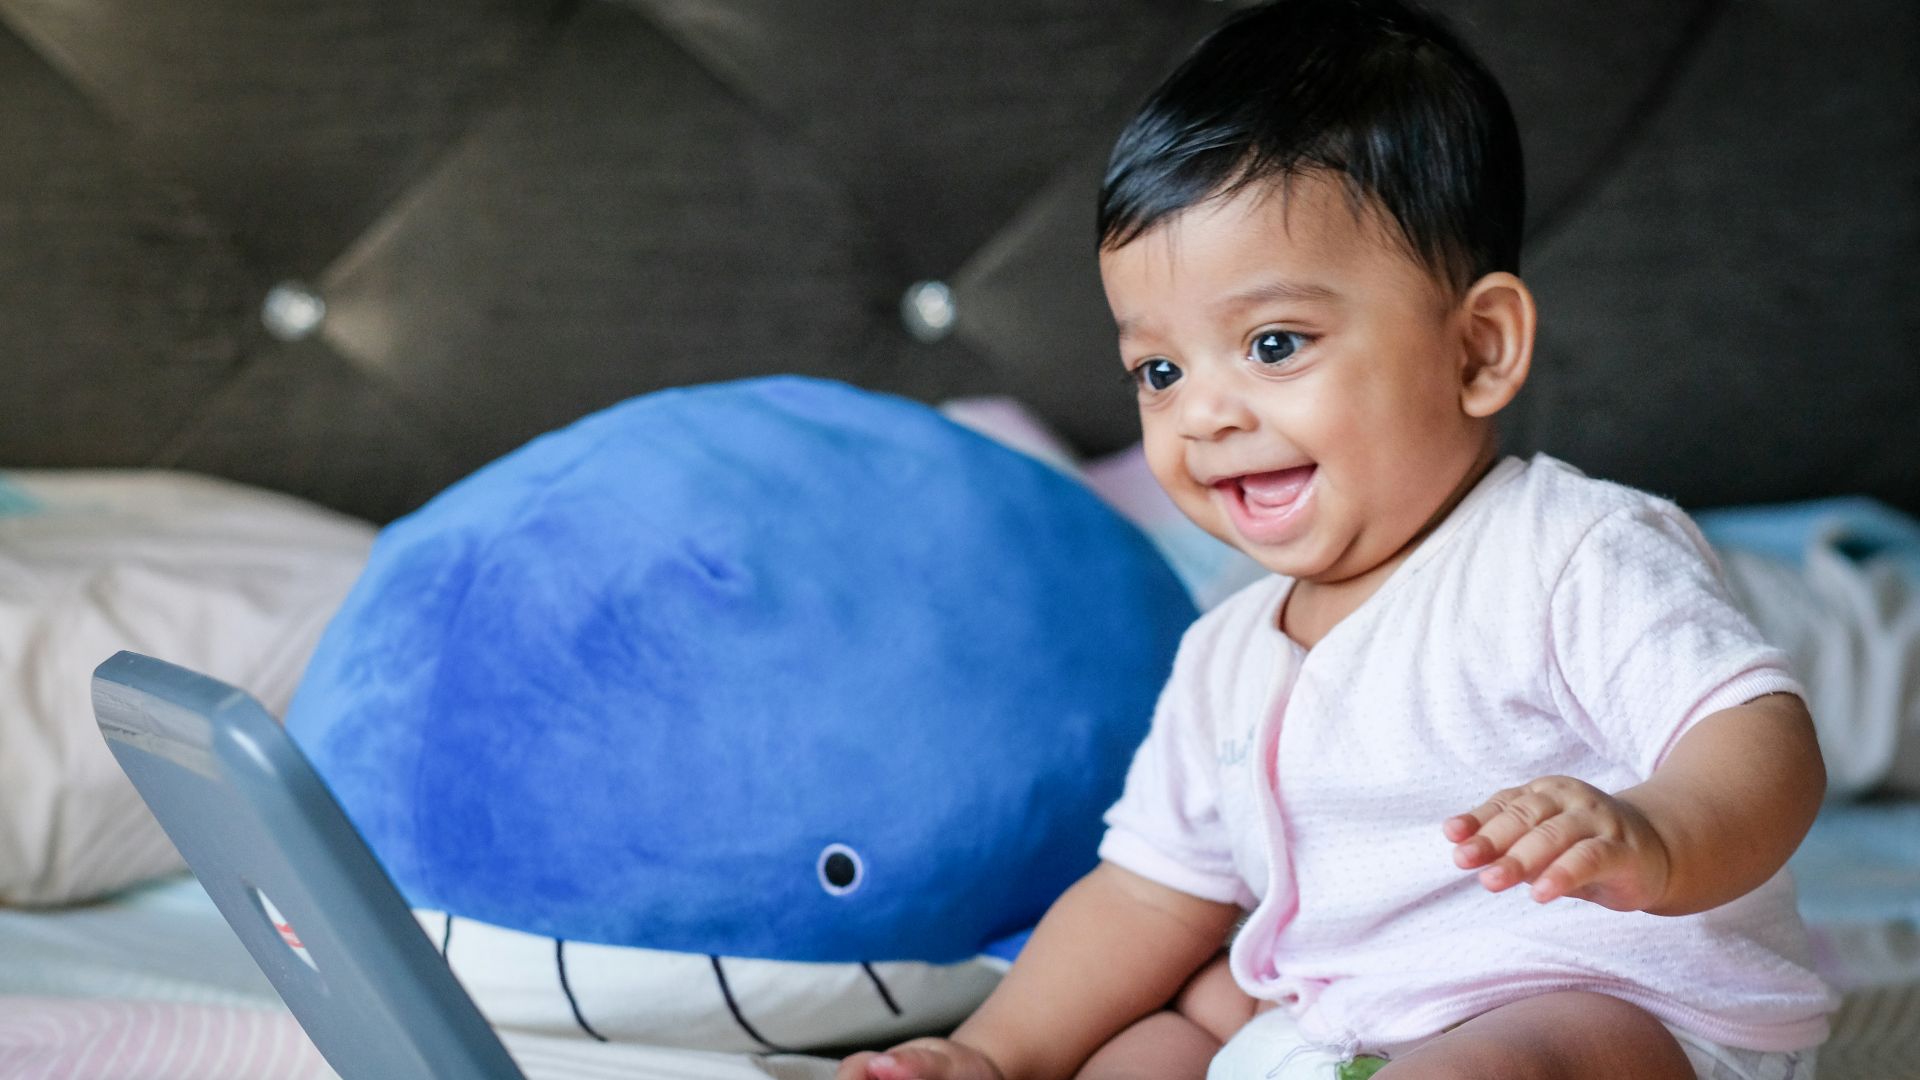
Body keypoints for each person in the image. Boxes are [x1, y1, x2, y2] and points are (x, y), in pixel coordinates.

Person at [838, 1, 1836, 1076]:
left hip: (1611, 1007)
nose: (1202, 413)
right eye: (1159, 370)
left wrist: (1659, 835)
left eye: (1273, 344)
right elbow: (1146, 894)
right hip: (1346, 1016)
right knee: (1157, 1036)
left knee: (1532, 1048)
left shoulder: (1569, 552)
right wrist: (988, 1053)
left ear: (1477, 350)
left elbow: (1756, 738)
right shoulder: (1225, 653)